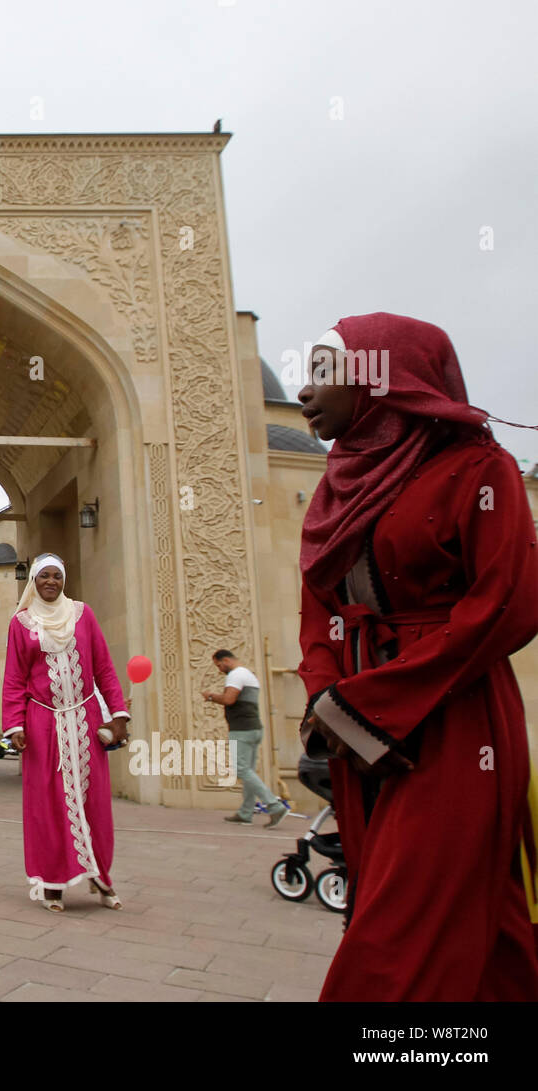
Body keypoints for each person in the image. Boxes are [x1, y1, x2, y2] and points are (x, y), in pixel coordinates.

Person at [295, 312, 538, 1001]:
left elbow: (508, 602)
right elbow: (318, 602)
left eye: (323, 371)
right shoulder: (340, 482)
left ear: (380, 376)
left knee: (398, 932)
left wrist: (373, 705)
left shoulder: (477, 469)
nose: (305, 391)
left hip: (452, 719)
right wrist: (324, 694)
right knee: (479, 925)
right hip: (355, 723)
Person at [1, 554, 130, 912]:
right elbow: (14, 678)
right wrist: (15, 725)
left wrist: (118, 714)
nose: (51, 582)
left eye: (57, 576)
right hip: (44, 724)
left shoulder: (82, 615)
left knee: (95, 803)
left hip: (86, 723)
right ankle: (52, 883)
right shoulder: (22, 623)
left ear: (64, 579)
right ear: (34, 581)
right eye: (44, 576)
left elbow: (103, 667)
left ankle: (100, 878)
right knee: (47, 805)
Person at [202, 650, 288, 827]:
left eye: (219, 665)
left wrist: (210, 696)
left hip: (242, 729)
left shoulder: (236, 674)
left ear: (226, 660)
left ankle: (274, 805)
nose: (219, 670)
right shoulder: (247, 674)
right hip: (253, 728)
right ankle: (246, 813)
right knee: (248, 770)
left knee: (242, 770)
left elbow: (229, 699)